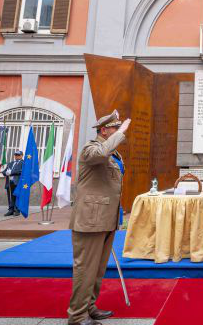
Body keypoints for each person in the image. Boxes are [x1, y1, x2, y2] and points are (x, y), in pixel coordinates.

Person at [67, 110, 131, 325]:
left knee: (97, 268)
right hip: (90, 219)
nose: (119, 132)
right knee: (86, 268)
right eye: (115, 128)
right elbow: (100, 154)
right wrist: (120, 133)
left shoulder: (114, 155)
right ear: (104, 130)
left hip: (105, 218)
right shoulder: (91, 149)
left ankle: (89, 306)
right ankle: (77, 315)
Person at [3, 150, 23, 216]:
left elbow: (21, 171)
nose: (16, 156)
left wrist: (11, 172)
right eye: (15, 155)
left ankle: (17, 210)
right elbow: (4, 171)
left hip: (17, 182)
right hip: (9, 182)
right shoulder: (11, 163)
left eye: (18, 155)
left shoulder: (23, 163)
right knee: (11, 197)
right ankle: (11, 210)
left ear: (21, 156)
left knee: (17, 196)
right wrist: (5, 173)